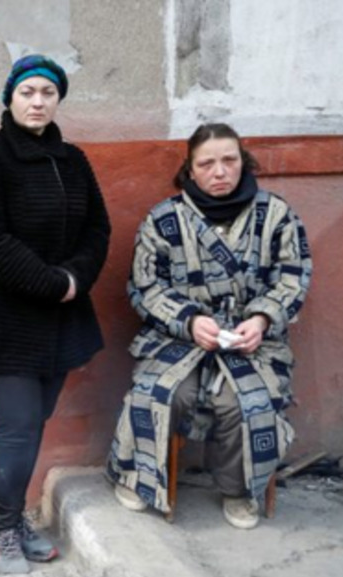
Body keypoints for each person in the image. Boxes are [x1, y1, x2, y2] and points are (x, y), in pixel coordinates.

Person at [107, 123, 311, 529]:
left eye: (229, 160)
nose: (220, 171)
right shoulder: (164, 220)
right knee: (162, 392)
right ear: (191, 169)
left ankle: (238, 491)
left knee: (244, 403)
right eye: (207, 163)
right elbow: (145, 286)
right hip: (178, 340)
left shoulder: (277, 216)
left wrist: (262, 318)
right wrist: (189, 321)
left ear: (243, 162)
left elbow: (294, 276)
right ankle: (141, 476)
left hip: (252, 342)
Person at [0, 55, 111, 575]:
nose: (38, 101)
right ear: (10, 98)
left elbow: (98, 230)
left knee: (35, 421)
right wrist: (52, 283)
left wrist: (75, 279)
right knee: (17, 425)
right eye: (27, 92)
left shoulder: (73, 160)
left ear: (58, 99)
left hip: (61, 317)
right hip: (4, 319)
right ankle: (2, 531)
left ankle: (16, 518)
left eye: (47, 92)